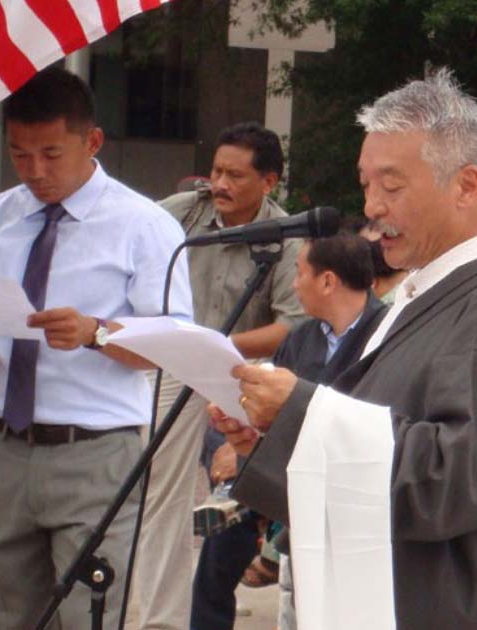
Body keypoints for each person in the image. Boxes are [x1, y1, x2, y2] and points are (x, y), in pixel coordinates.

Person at [212, 68, 477, 628]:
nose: (372, 206)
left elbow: (459, 479)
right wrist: (273, 435)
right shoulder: (424, 291)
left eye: (392, 185)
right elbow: (386, 430)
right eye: (366, 184)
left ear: (466, 185)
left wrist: (302, 412)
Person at [0, 67, 193, 630]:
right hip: (3, 446)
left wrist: (97, 333)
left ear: (93, 142)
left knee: (92, 614)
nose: (35, 172)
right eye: (20, 155)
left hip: (95, 451)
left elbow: (174, 347)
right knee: (6, 613)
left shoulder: (145, 226)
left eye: (52, 154)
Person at [132, 122, 305, 630]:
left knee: (252, 479)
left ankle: (237, 513)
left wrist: (217, 344)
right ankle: (160, 622)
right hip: (174, 368)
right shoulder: (180, 214)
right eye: (215, 171)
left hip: (244, 375)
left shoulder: (285, 234)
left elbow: (290, 325)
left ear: (268, 181)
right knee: (156, 491)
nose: (220, 183)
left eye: (235, 174)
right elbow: (135, 244)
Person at [204, 233, 387, 630]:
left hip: (362, 510)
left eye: (300, 273)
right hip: (296, 506)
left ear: (327, 281)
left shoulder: (390, 333)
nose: (293, 284)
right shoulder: (300, 339)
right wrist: (243, 436)